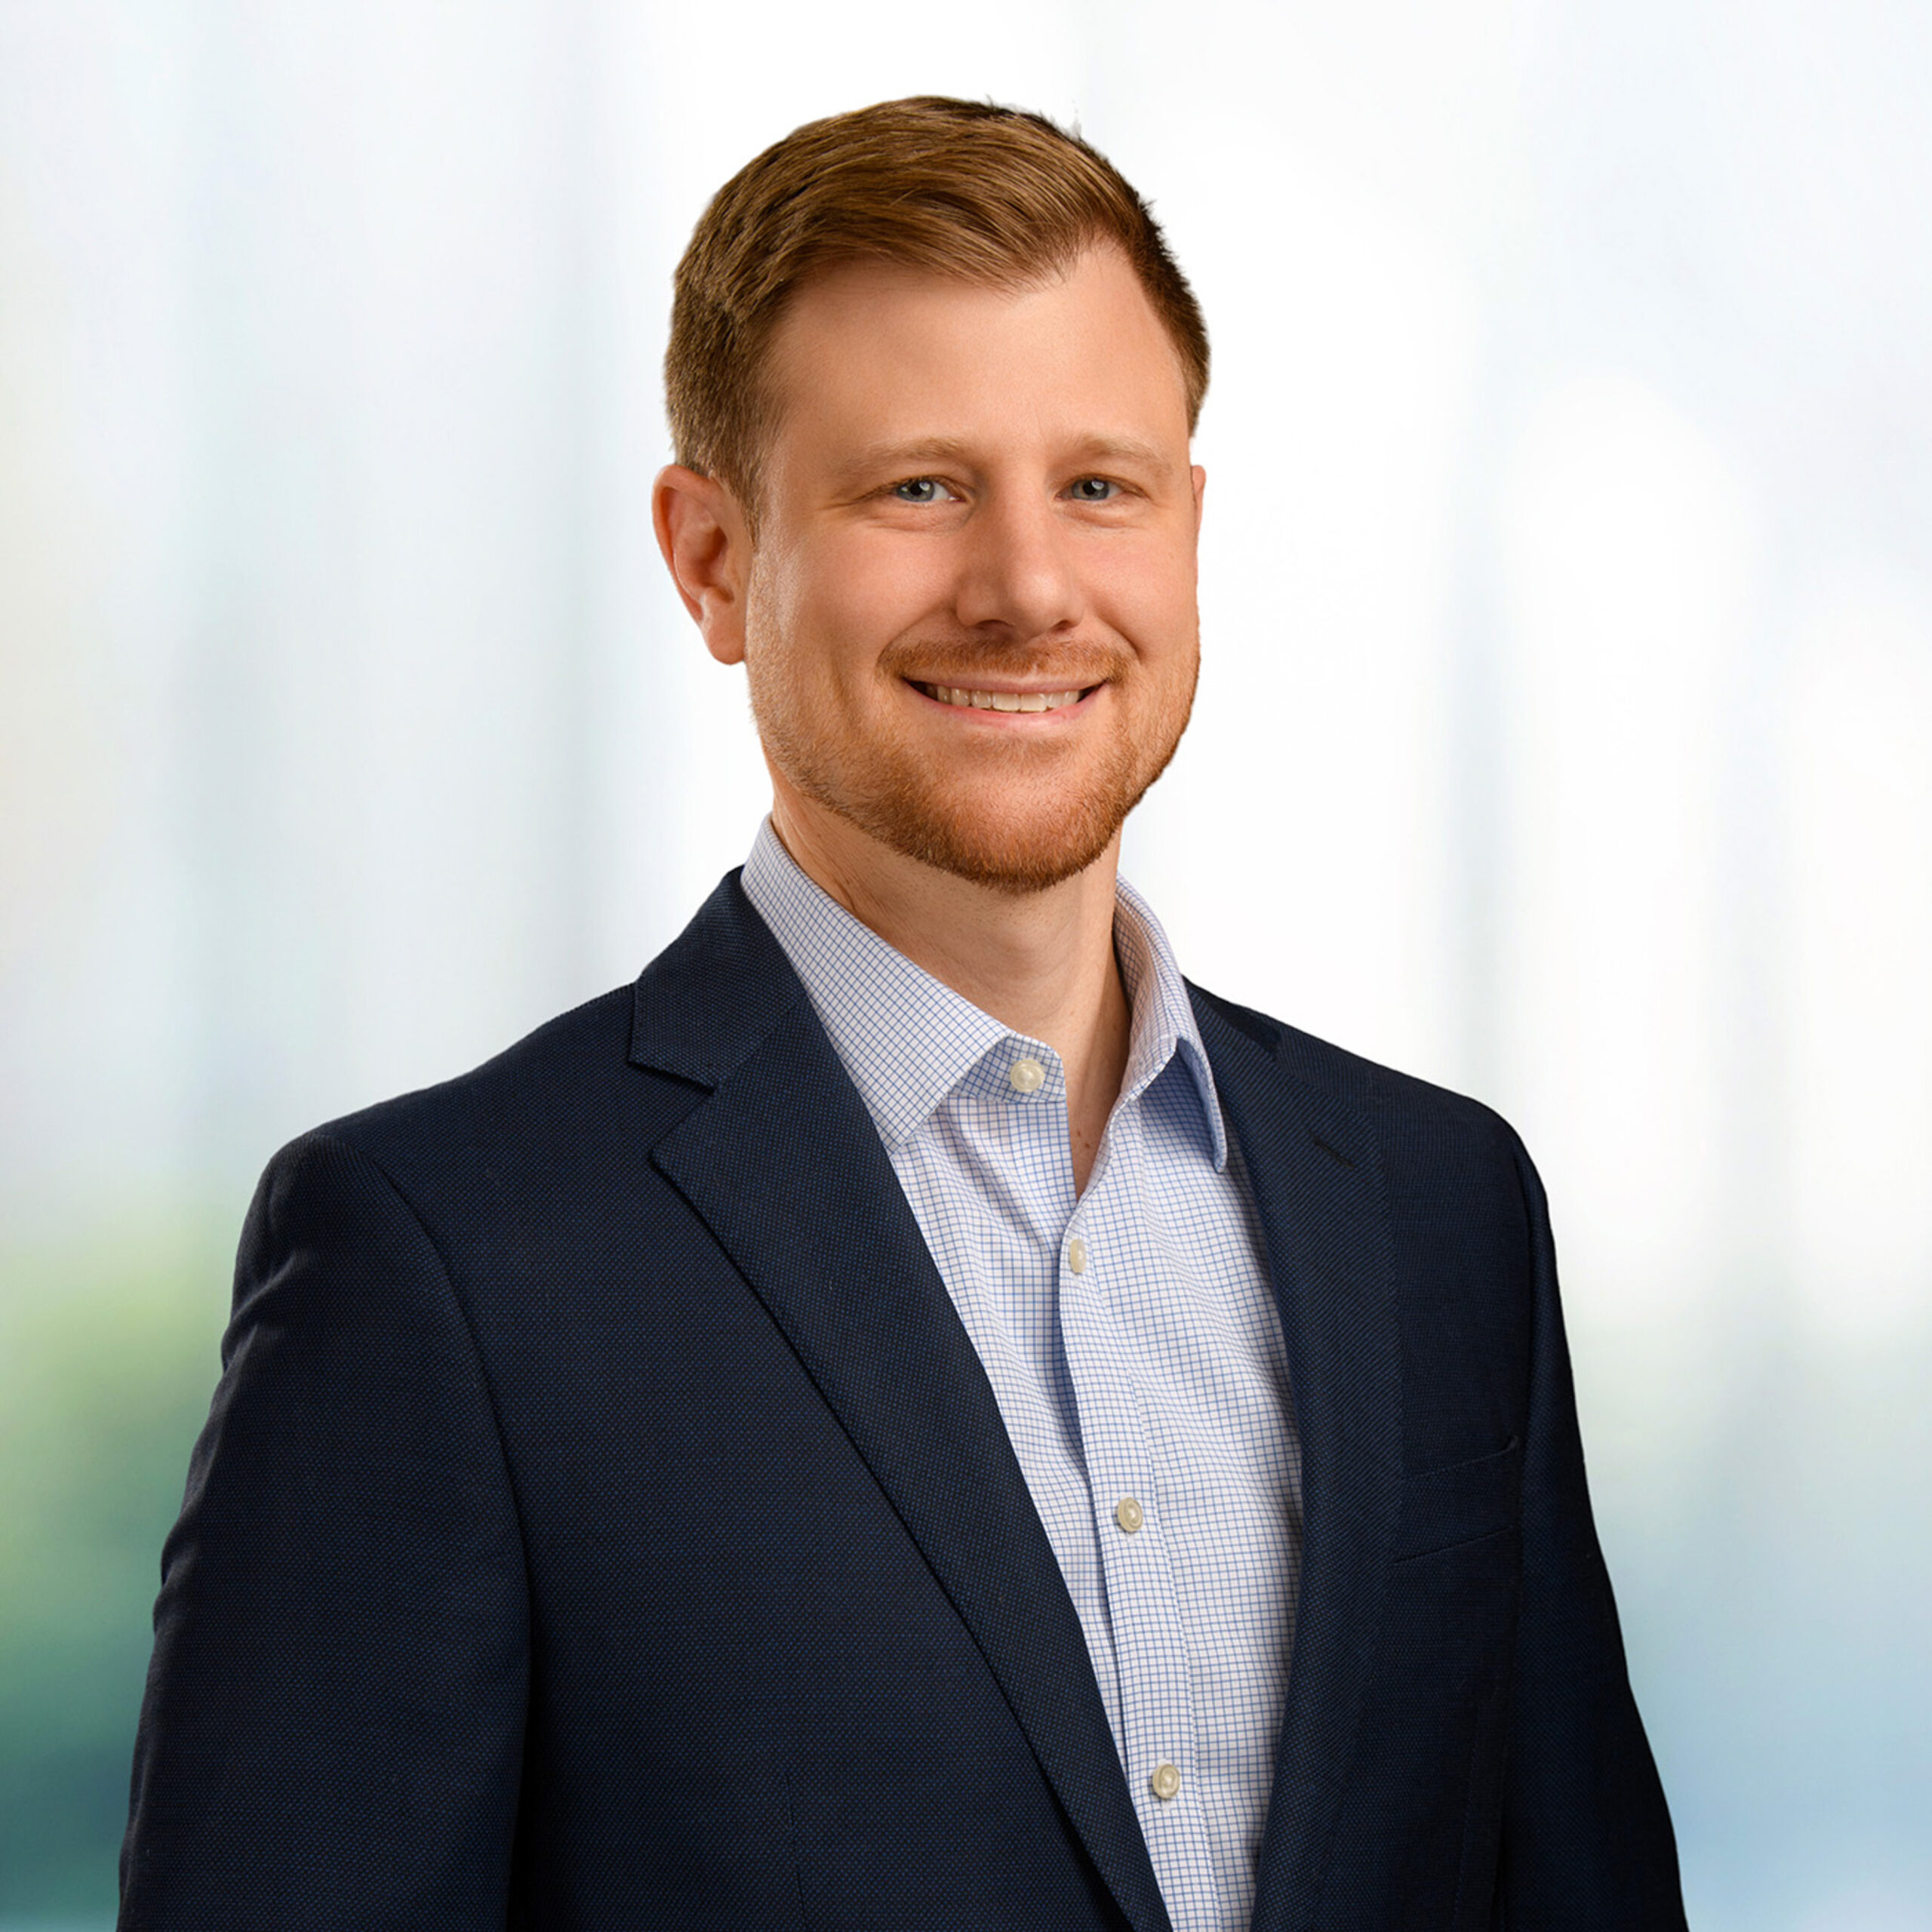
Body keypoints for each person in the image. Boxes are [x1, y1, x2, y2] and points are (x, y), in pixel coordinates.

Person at [119, 97, 1686, 1931]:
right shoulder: (443, 1264)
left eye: (1098, 485)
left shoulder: (1438, 1209)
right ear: (711, 558)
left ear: (1187, 528)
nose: (1027, 588)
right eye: (918, 486)